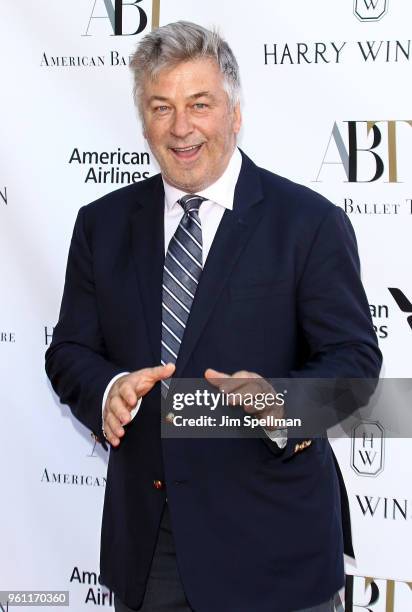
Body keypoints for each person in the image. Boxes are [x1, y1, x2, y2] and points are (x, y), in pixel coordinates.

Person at [45, 21, 382, 612]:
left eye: (199, 104)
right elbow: (69, 351)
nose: (181, 128)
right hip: (151, 553)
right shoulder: (101, 224)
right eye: (161, 107)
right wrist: (109, 392)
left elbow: (354, 365)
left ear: (234, 111)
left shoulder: (308, 223)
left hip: (275, 550)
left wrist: (282, 401)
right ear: (143, 119)